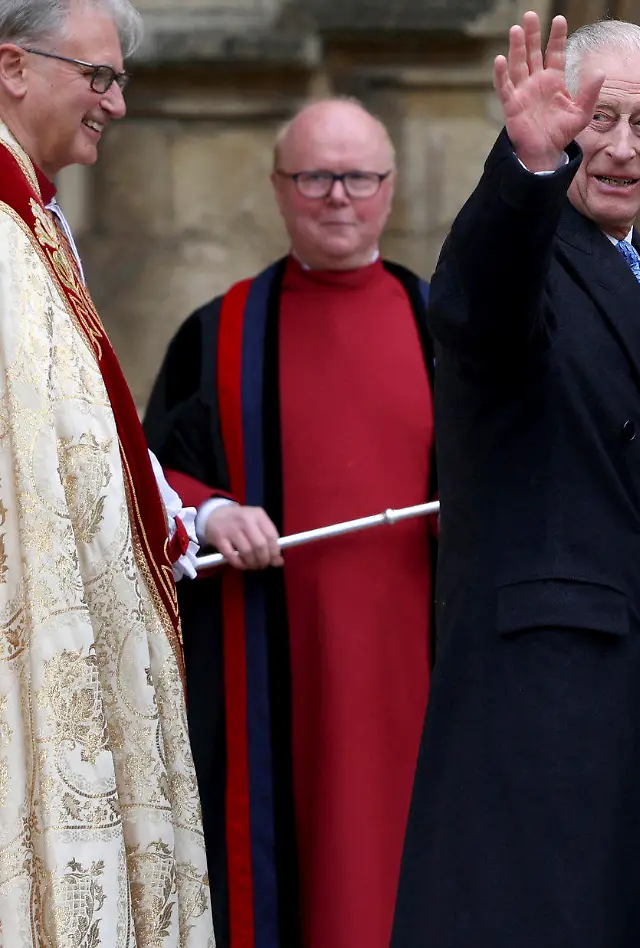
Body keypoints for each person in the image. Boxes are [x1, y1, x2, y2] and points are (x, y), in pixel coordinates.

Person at [389, 12, 640, 948]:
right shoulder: (532, 252)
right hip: (535, 694)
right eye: (597, 119)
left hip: (631, 690)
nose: (618, 148)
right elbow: (479, 307)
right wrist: (525, 169)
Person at [141, 97, 435, 948]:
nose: (337, 196)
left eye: (357, 177)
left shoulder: (445, 331)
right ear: (278, 187)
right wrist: (213, 510)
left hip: (414, 675)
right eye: (314, 176)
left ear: (389, 188)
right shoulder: (218, 335)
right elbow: (152, 476)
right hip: (269, 676)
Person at [0, 0, 214, 942]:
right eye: (99, 77)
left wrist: (180, 518)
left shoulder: (36, 223)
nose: (117, 104)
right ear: (13, 66)